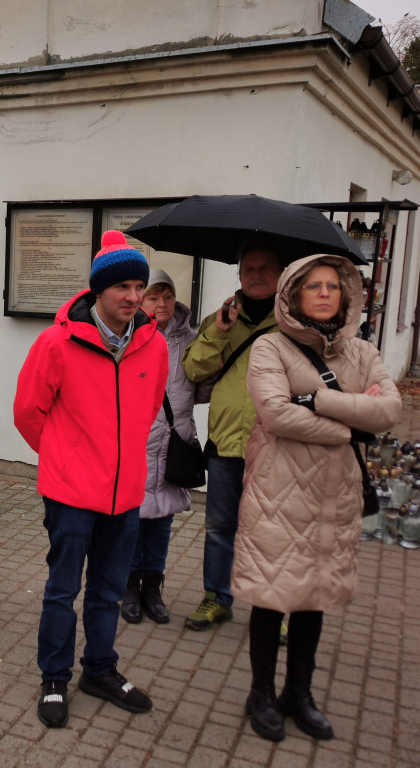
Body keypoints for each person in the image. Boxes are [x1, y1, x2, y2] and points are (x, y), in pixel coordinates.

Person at [232, 254, 400, 742]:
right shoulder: (270, 348)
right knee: (271, 596)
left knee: (313, 599)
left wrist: (320, 401)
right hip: (279, 493)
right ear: (294, 295)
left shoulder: (362, 353)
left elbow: (387, 411)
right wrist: (352, 424)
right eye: (314, 286)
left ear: (346, 296)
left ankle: (298, 693)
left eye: (333, 286)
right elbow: (277, 415)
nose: (325, 293)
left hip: (336, 494)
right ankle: (260, 692)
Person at [13, 231, 168, 727]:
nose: (132, 297)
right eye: (121, 286)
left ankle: (100, 670)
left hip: (125, 495)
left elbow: (146, 414)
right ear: (98, 290)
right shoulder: (57, 341)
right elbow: (27, 413)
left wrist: (119, 465)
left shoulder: (154, 346)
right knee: (63, 590)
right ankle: (54, 678)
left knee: (108, 590)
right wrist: (65, 456)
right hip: (71, 495)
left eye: (138, 287)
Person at [181, 244, 282, 631]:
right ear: (239, 276)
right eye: (249, 269)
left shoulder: (294, 322)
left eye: (266, 268)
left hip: (276, 445)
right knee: (219, 528)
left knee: (275, 531)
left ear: (280, 273)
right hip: (225, 443)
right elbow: (193, 369)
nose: (257, 275)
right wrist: (219, 333)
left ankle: (278, 608)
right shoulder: (220, 319)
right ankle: (216, 598)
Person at [121, 270, 198, 625]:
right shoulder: (128, 338)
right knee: (134, 517)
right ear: (141, 302)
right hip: (139, 439)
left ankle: (153, 586)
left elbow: (205, 384)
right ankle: (130, 585)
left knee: (162, 518)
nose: (162, 303)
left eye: (167, 296)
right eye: (154, 297)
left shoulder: (191, 340)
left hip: (173, 440)